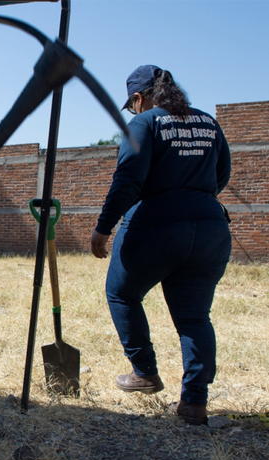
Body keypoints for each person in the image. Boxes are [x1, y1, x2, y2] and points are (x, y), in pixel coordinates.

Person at [90, 65, 231, 426]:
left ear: (139, 98)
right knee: (195, 317)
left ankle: (145, 373)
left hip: (156, 227)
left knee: (121, 293)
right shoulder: (208, 123)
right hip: (211, 229)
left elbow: (128, 180)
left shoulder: (145, 122)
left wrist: (102, 229)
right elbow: (222, 174)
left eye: (132, 105)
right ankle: (194, 403)